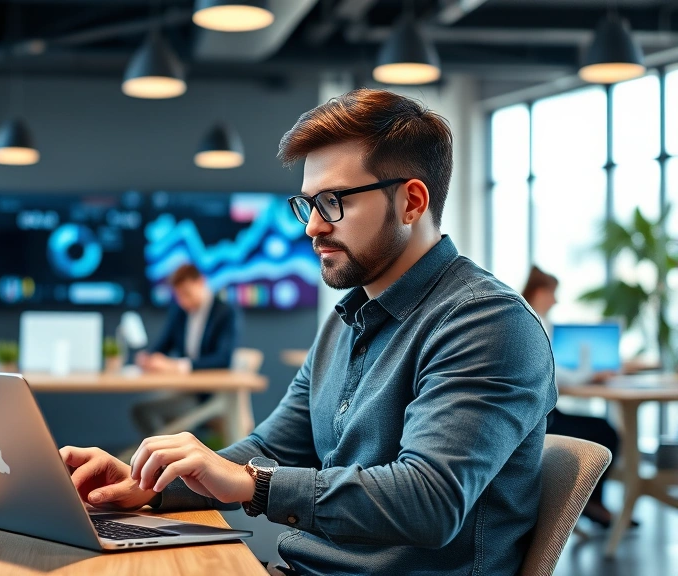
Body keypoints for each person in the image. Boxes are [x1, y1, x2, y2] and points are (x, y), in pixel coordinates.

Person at [59, 89, 556, 576]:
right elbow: (270, 450)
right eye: (309, 204)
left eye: (334, 202)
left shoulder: (487, 323)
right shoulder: (349, 318)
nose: (312, 227)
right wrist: (154, 484)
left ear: (411, 202)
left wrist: (252, 484)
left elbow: (429, 500)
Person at [521, 265, 625, 528]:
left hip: (538, 413)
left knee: (602, 428)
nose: (556, 300)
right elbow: (559, 374)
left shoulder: (530, 320)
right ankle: (591, 502)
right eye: (553, 293)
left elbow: (556, 372)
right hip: (542, 420)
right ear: (541, 292)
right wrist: (592, 372)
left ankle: (592, 503)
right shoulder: (533, 323)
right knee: (605, 432)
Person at [131, 264, 238, 436]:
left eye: (187, 293)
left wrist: (178, 366)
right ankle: (165, 458)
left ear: (201, 282)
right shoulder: (180, 311)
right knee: (143, 408)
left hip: (206, 395)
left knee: (143, 411)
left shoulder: (225, 312)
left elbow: (223, 359)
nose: (183, 301)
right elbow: (164, 344)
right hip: (182, 388)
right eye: (179, 295)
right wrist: (150, 358)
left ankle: (162, 459)